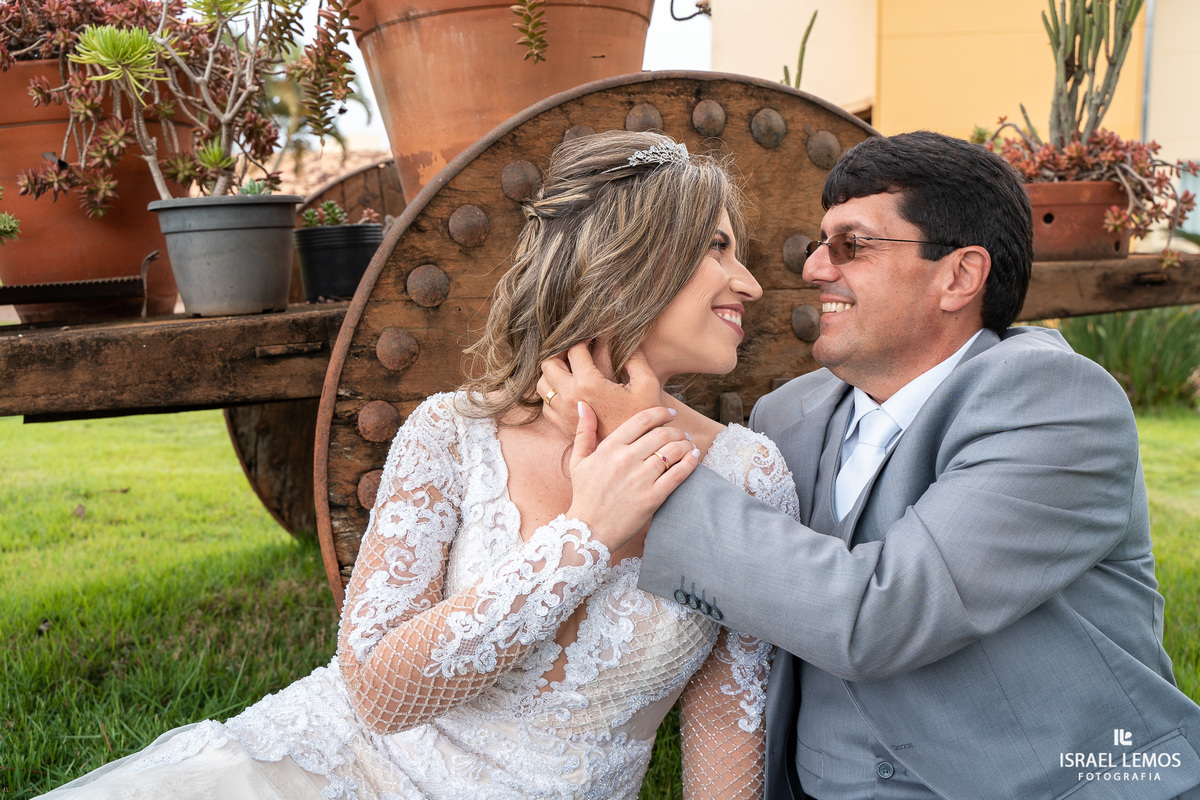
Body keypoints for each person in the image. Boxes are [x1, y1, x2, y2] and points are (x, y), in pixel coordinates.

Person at [38, 130, 799, 800]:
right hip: (339, 771)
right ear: (633, 259)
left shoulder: (749, 476)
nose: (752, 284)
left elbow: (725, 732)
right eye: (718, 247)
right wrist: (587, 534)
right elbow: (375, 693)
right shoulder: (454, 433)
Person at [541, 130, 1200, 799]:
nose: (812, 269)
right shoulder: (784, 418)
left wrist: (640, 464)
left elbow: (879, 617)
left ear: (959, 276)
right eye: (819, 243)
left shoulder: (1057, 402)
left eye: (850, 245)